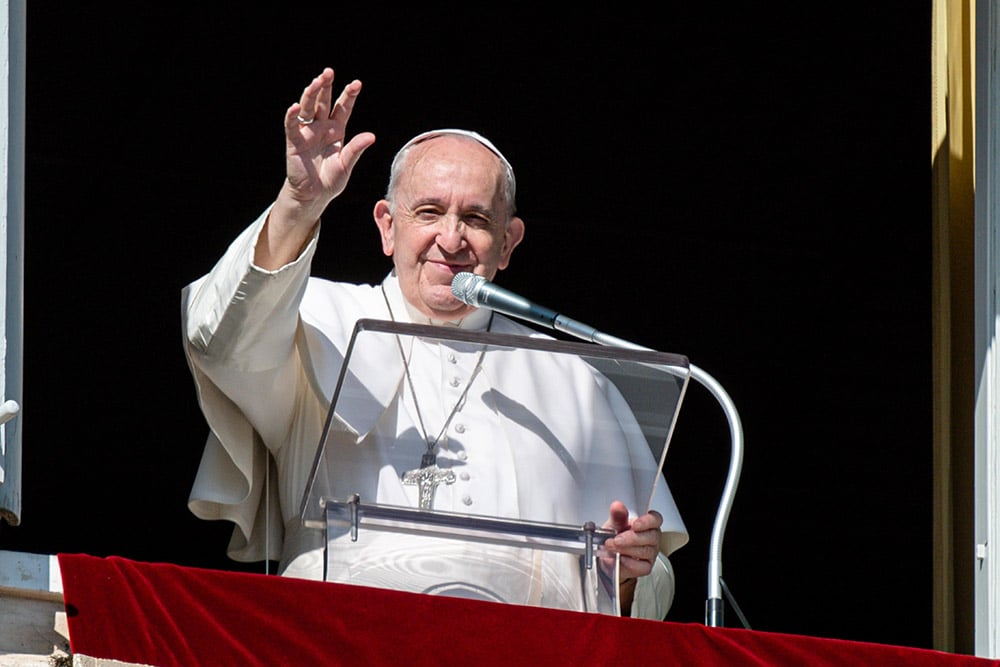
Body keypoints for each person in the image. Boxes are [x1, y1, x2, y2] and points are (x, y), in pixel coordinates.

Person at [182, 67, 688, 618]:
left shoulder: (573, 378)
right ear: (387, 226)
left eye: (475, 218)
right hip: (339, 640)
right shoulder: (312, 324)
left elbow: (644, 578)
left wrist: (626, 575)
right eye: (428, 212)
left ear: (507, 244)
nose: (451, 240)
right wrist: (298, 203)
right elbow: (222, 340)